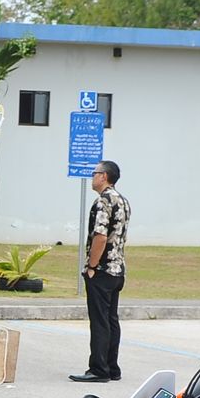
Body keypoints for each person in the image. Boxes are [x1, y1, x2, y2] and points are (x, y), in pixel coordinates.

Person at [70, 160, 132, 384]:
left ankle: (99, 369)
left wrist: (92, 267)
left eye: (95, 173)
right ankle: (112, 367)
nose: (92, 177)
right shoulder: (123, 201)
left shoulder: (103, 201)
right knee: (111, 320)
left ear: (104, 176)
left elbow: (101, 236)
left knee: (99, 321)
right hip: (118, 269)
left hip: (103, 270)